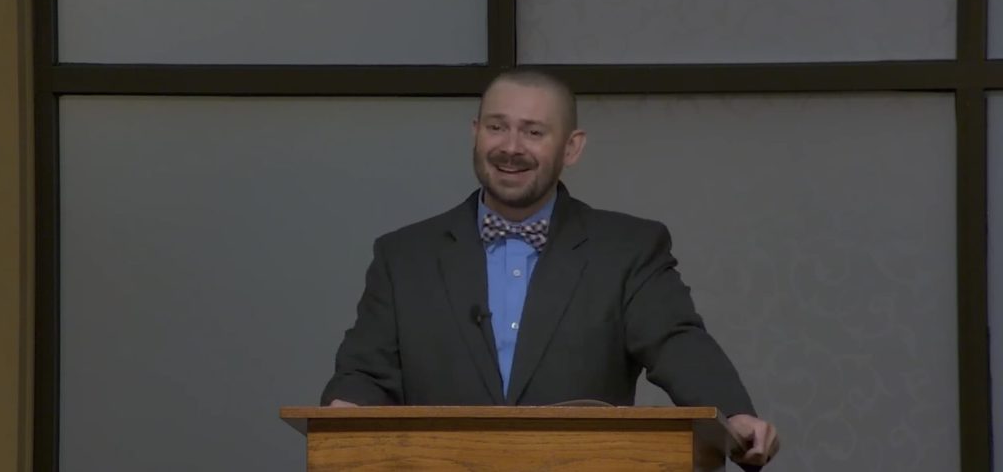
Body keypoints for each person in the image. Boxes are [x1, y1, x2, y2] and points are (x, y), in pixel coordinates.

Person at [321, 69, 779, 468]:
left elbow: (675, 343)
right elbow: (365, 372)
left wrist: (734, 415)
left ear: (571, 148)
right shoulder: (404, 255)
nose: (511, 147)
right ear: (475, 133)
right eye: (497, 127)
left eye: (533, 132)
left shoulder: (628, 249)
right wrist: (344, 415)